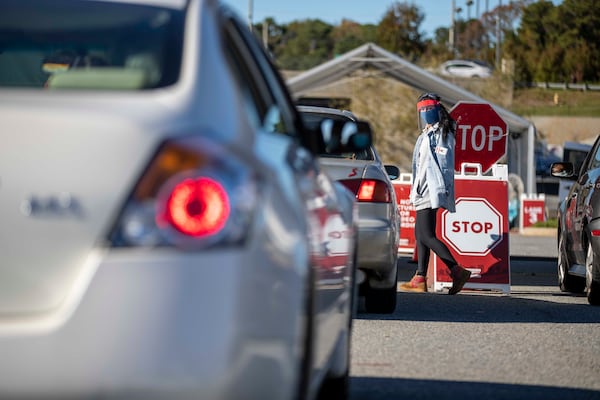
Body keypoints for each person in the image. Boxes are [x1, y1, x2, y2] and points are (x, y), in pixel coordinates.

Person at [399, 93, 471, 295]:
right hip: (423, 189)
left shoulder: (442, 134)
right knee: (420, 234)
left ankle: (456, 270)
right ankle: (420, 277)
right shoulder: (427, 134)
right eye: (420, 111)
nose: (423, 114)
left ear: (435, 111)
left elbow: (443, 165)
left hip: (432, 189)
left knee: (427, 235)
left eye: (426, 110)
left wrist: (441, 189)